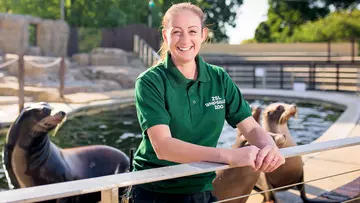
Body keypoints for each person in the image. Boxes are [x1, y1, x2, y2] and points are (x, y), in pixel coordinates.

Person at [129, 2, 285, 203]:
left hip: (201, 187)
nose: (185, 39)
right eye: (177, 32)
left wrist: (269, 148)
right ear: (166, 35)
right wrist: (230, 156)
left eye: (192, 31)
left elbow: (251, 128)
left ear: (203, 35)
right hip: (154, 189)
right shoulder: (149, 82)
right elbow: (164, 147)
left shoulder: (219, 78)